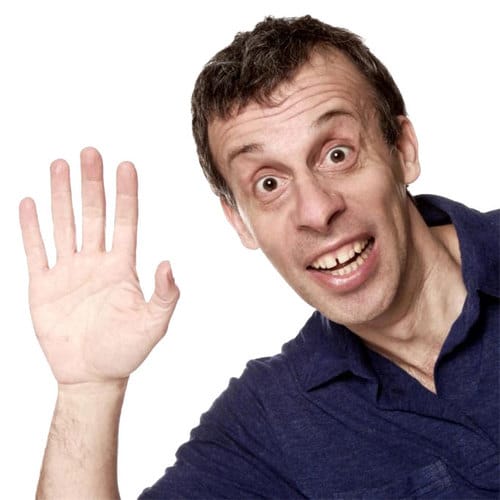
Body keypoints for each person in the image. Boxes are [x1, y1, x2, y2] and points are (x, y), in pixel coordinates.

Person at [20, 15, 498, 499]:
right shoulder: (267, 424)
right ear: (240, 222)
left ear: (403, 150)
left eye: (337, 154)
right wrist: (88, 392)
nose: (317, 211)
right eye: (269, 184)